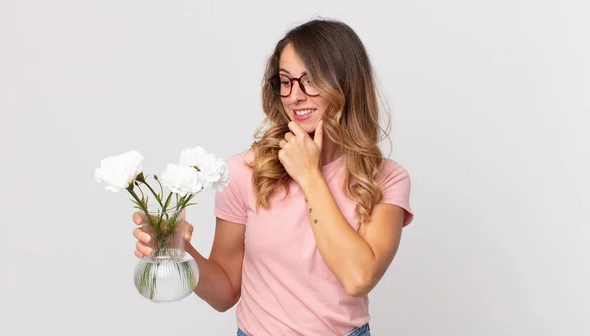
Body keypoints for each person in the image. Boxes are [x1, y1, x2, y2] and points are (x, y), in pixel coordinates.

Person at [133, 18, 414, 336]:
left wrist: (309, 175)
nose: (295, 96)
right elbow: (225, 293)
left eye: (310, 80)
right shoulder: (246, 171)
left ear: (347, 84)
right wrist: (181, 250)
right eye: (286, 81)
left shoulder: (385, 179)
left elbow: (358, 277)